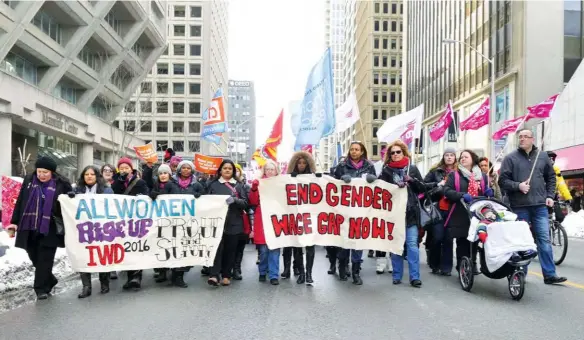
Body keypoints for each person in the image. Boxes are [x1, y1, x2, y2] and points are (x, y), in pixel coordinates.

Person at [498, 129, 567, 284]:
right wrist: (518, 186)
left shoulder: (542, 157)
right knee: (523, 241)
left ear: (532, 139)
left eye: (525, 137)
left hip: (540, 206)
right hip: (519, 206)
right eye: (520, 137)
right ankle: (521, 273)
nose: (522, 139)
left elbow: (551, 178)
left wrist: (549, 196)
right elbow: (502, 181)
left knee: (544, 239)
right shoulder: (510, 158)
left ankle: (549, 274)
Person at [5, 157, 73, 300]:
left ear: (52, 172)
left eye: (45, 172)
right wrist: (14, 222)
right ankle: (50, 279)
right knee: (34, 256)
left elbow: (71, 205)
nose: (41, 175)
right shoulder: (29, 180)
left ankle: (40, 289)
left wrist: (71, 196)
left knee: (45, 259)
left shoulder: (62, 183)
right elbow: (21, 200)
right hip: (29, 226)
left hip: (50, 227)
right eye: (39, 171)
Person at [377, 140, 426, 287]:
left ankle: (414, 277)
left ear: (404, 152)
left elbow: (422, 188)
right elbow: (379, 190)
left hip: (410, 213)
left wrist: (412, 180)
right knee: (396, 245)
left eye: (398, 152)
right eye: (392, 153)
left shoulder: (412, 168)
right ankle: (397, 276)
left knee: (412, 245)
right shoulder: (386, 171)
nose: (396, 154)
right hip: (394, 214)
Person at [332, 141, 377, 285]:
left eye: (357, 149)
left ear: (362, 151)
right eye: (351, 149)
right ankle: (342, 267)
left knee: (358, 242)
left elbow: (376, 186)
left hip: (361, 211)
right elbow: (333, 186)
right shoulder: (341, 166)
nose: (354, 152)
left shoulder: (369, 166)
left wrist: (372, 180)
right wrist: (340, 180)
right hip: (345, 211)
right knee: (345, 242)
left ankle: (356, 272)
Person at [443, 149, 493, 274]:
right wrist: (461, 195)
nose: (463, 159)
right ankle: (462, 265)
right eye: (461, 157)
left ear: (472, 159)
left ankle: (473, 263)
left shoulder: (481, 176)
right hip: (460, 213)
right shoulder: (455, 175)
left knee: (475, 239)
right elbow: (447, 191)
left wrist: (488, 191)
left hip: (477, 213)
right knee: (463, 241)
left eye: (466, 157)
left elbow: (487, 191)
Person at [69, 166, 114, 298]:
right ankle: (86, 287)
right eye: (86, 174)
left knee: (102, 255)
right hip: (83, 229)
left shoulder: (106, 190)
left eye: (92, 174)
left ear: (97, 176)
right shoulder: (76, 191)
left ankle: (104, 283)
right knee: (84, 257)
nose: (89, 176)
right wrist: (70, 197)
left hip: (102, 229)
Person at [206, 159, 248, 287]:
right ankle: (214, 274)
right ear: (220, 170)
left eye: (230, 168)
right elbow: (206, 202)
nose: (227, 170)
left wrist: (235, 200)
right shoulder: (213, 185)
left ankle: (226, 275)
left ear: (233, 171)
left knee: (231, 250)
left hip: (234, 222)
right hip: (217, 223)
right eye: (225, 168)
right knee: (216, 249)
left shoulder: (239, 185)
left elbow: (246, 204)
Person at [110, 157, 149, 291]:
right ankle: (129, 277)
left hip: (137, 220)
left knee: (136, 247)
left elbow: (146, 196)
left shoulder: (140, 182)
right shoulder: (115, 182)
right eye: (121, 168)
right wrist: (119, 181)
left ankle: (136, 277)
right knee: (125, 248)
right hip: (122, 221)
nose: (124, 170)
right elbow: (112, 195)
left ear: (131, 169)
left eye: (126, 168)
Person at [423, 147, 457, 276]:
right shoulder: (435, 171)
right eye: (447, 155)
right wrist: (439, 185)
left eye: (451, 155)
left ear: (455, 157)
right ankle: (434, 264)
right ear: (443, 157)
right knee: (437, 237)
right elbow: (424, 187)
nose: (449, 157)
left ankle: (446, 268)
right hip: (438, 209)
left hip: (453, 209)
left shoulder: (459, 172)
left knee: (448, 239)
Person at [286, 150, 318, 285]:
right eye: (299, 163)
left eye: (304, 163)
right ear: (295, 164)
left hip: (310, 216)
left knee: (310, 246)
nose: (301, 165)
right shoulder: (288, 178)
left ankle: (309, 274)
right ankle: (302, 273)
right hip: (295, 216)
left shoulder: (315, 178)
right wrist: (290, 179)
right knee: (297, 246)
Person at [248, 160, 281, 285]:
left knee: (275, 249)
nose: (270, 171)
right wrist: (254, 189)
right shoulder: (259, 183)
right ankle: (262, 271)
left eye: (272, 169)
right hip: (262, 218)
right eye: (267, 169)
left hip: (277, 218)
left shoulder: (280, 183)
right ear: (264, 171)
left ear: (276, 171)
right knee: (263, 250)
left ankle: (273, 275)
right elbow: (253, 201)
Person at [232, 163, 253, 281]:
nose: (235, 172)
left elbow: (249, 203)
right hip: (229, 220)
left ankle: (236, 268)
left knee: (240, 246)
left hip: (243, 219)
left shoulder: (245, 187)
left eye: (237, 170)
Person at [100, 163, 118, 280]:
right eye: (105, 170)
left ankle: (112, 268)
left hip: (115, 219)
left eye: (110, 171)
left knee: (113, 244)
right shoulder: (97, 185)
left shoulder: (117, 184)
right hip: (101, 219)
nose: (107, 172)